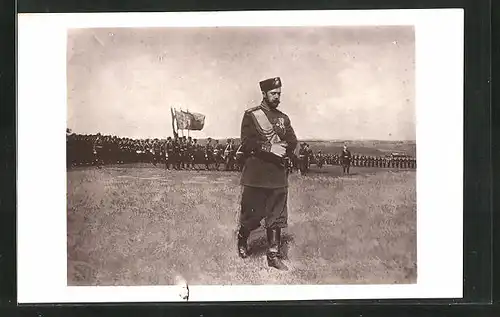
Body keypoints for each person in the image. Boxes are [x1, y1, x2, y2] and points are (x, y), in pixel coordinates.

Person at [236, 77, 298, 271]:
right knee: (251, 216)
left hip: (277, 175)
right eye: (273, 94)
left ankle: (273, 254)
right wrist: (269, 148)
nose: (277, 97)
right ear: (264, 94)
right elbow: (246, 143)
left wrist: (284, 149)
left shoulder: (283, 118)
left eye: (279, 93)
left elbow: (292, 141)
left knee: (276, 215)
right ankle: (242, 240)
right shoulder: (251, 115)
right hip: (257, 174)